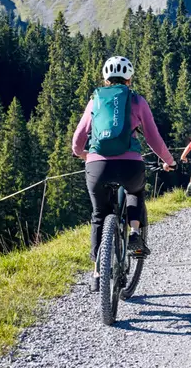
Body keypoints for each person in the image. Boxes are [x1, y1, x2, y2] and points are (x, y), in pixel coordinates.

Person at [72, 56, 176, 291]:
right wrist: (169, 161)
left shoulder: (95, 101)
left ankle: (98, 274)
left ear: (105, 78)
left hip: (97, 165)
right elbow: (153, 137)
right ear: (129, 78)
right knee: (135, 191)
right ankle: (135, 233)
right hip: (130, 164)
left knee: (100, 215)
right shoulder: (137, 100)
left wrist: (82, 154)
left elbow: (78, 139)